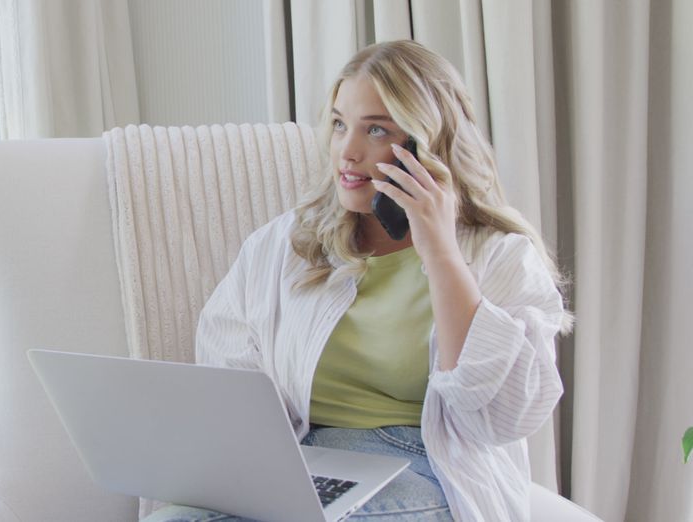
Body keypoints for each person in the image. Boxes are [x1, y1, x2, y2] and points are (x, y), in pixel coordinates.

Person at [142, 40, 571, 521]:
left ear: (426, 146)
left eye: (377, 130)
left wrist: (442, 254)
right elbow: (228, 375)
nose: (347, 151)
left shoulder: (500, 256)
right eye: (341, 124)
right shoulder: (283, 246)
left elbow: (502, 419)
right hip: (305, 458)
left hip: (432, 466)